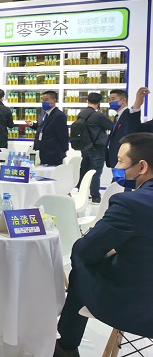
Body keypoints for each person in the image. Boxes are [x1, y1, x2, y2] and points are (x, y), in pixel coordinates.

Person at [53, 133, 153, 357]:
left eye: (120, 161)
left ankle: (66, 345)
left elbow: (85, 250)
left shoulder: (130, 205)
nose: (115, 167)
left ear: (142, 166)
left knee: (82, 266)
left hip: (138, 305)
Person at [76, 92, 113, 204]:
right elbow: (111, 126)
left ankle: (81, 193)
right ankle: (95, 196)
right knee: (95, 173)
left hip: (85, 147)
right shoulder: (98, 116)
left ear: (87, 100)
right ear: (99, 102)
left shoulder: (81, 114)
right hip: (97, 148)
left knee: (84, 171)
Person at [105, 87, 148, 168]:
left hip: (124, 159)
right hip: (114, 159)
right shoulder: (117, 117)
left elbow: (134, 111)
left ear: (123, 100)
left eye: (113, 99)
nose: (110, 102)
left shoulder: (128, 115)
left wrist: (138, 101)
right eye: (109, 99)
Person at [26, 91, 69, 166]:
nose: (43, 102)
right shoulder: (44, 114)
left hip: (54, 152)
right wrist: (32, 124)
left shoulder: (58, 115)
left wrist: (63, 150)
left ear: (54, 101)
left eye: (46, 100)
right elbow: (42, 127)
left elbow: (63, 136)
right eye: (42, 100)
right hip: (43, 150)